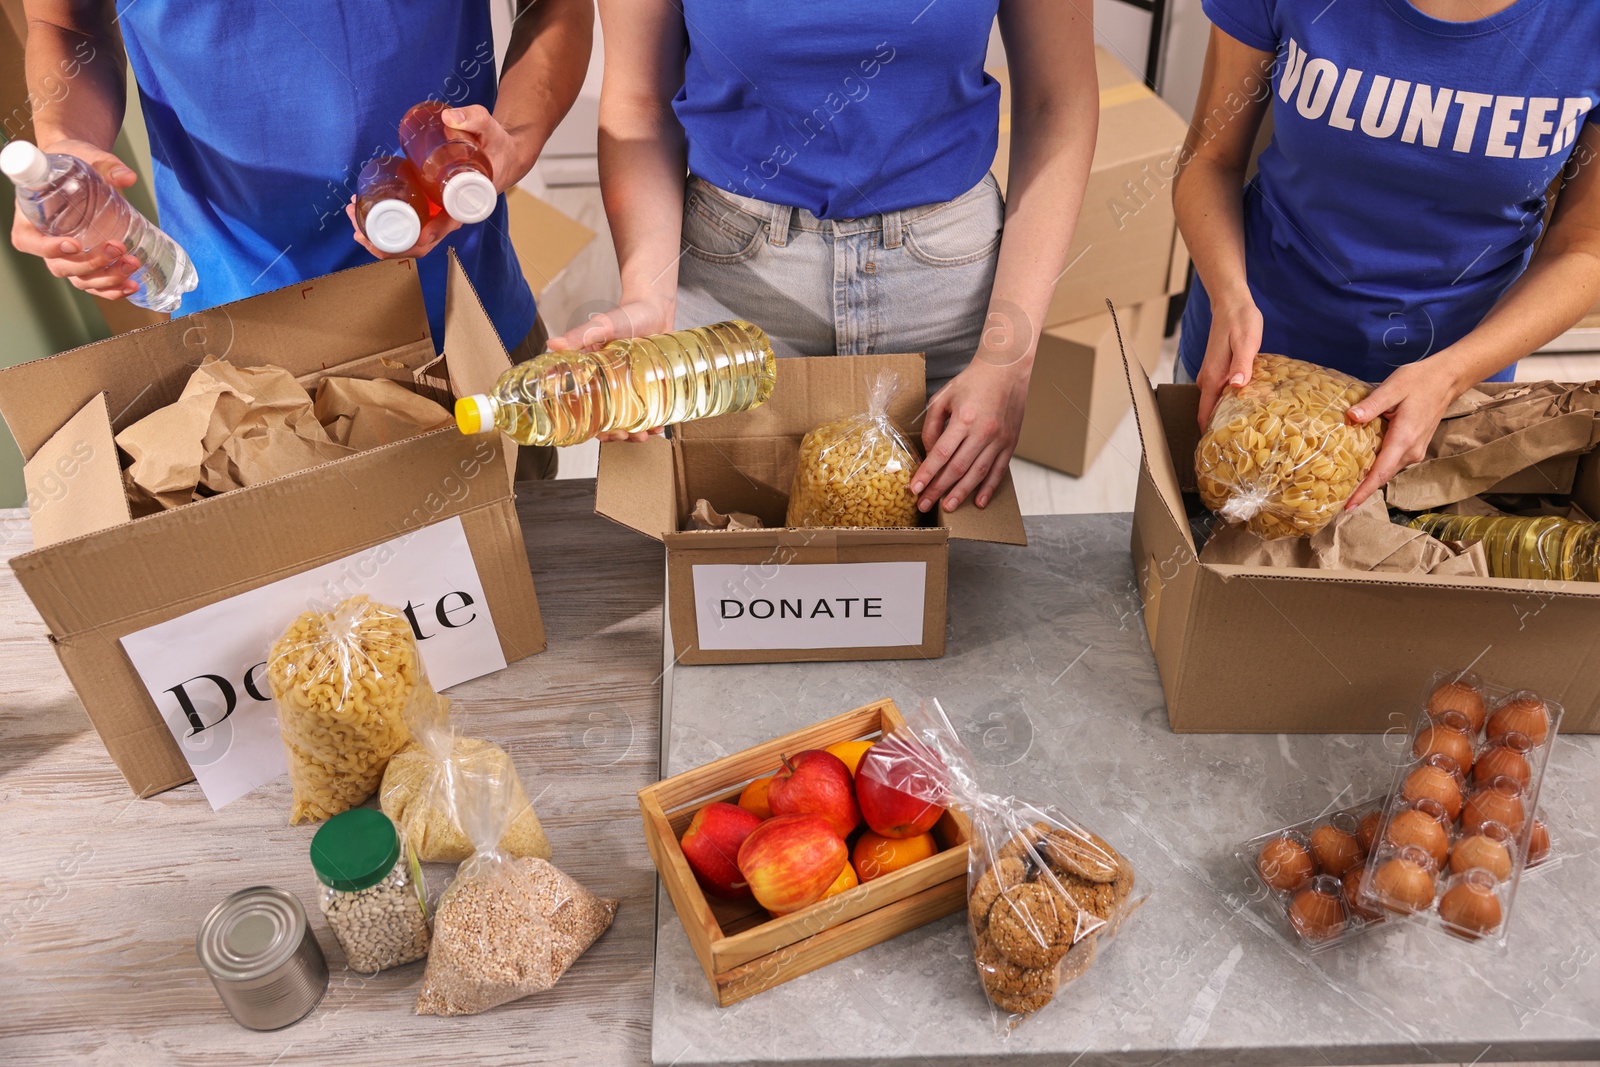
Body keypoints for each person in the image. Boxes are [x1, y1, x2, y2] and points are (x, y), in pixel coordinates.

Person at [554, 0, 1097, 515]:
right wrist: (648, 294)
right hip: (734, 293)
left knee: (945, 594)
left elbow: (1058, 101)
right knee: (729, 583)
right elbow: (641, 102)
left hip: (947, 293)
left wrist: (1010, 357)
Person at [10, 0, 591, 456]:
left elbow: (556, 4)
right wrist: (63, 142)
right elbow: (66, 22)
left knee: (530, 590)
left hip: (466, 316)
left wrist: (513, 138)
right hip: (245, 345)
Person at [1173, 0, 1600, 509]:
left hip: (1443, 402)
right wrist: (1229, 296)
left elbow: (1585, 247)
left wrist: (1451, 375)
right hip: (1249, 379)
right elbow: (1209, 160)